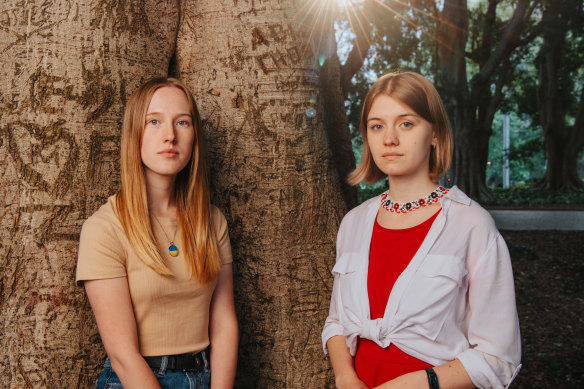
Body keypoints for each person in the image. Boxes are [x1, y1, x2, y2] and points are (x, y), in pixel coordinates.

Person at [321, 72, 521, 389]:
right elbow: (336, 323)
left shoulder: (471, 224)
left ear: (436, 134)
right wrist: (345, 376)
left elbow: (498, 359)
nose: (389, 139)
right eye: (377, 126)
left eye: (406, 124)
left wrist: (413, 383)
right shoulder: (354, 222)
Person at [76, 77, 238, 389]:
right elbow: (122, 353)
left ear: (194, 137)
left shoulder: (212, 221)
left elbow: (224, 324)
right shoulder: (105, 228)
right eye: (154, 122)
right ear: (134, 134)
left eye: (182, 122)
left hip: (206, 376)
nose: (170, 136)